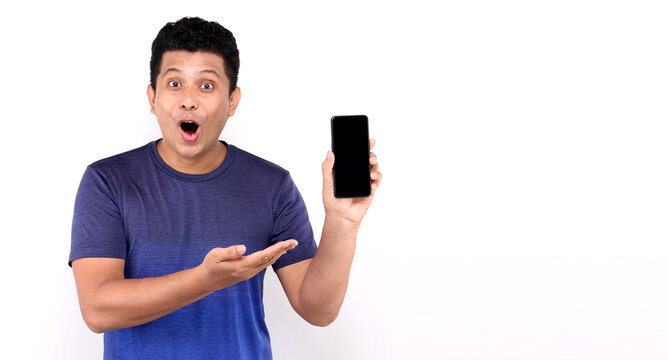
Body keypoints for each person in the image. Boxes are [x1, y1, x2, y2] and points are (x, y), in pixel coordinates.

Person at [69, 16, 381, 359]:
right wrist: (206, 279)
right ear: (152, 96)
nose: (188, 100)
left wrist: (343, 222)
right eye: (174, 84)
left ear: (232, 101)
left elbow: (318, 310)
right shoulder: (107, 181)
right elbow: (97, 310)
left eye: (206, 86)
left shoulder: (272, 185)